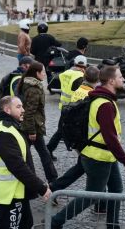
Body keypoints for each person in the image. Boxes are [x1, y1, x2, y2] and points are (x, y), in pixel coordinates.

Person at [50, 66, 125, 229]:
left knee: (116, 190)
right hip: (98, 157)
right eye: (120, 77)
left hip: (104, 156)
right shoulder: (105, 104)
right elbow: (110, 138)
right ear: (111, 81)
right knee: (91, 195)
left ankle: (113, 225)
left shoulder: (104, 99)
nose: (123, 79)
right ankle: (56, 221)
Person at [0, 96, 52, 229]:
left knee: (26, 223)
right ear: (7, 110)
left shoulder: (4, 127)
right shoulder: (5, 132)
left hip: (12, 190)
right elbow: (18, 166)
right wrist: (41, 188)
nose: (23, 110)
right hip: (8, 193)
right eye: (19, 107)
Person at [48, 66, 103, 209]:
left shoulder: (79, 91)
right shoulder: (92, 95)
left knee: (83, 168)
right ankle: (99, 202)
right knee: (91, 170)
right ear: (98, 79)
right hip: (88, 141)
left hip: (79, 140)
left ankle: (100, 203)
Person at [16, 61, 58, 183]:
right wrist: (32, 131)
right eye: (43, 72)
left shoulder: (28, 84)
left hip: (29, 126)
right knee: (44, 156)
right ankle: (53, 182)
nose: (45, 74)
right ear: (36, 73)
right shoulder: (34, 89)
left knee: (25, 154)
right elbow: (29, 112)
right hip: (33, 127)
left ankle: (28, 179)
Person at [47, 55, 87, 160]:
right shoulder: (80, 76)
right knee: (74, 132)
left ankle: (49, 149)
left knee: (62, 130)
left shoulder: (66, 73)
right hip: (73, 108)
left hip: (64, 106)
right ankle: (83, 156)